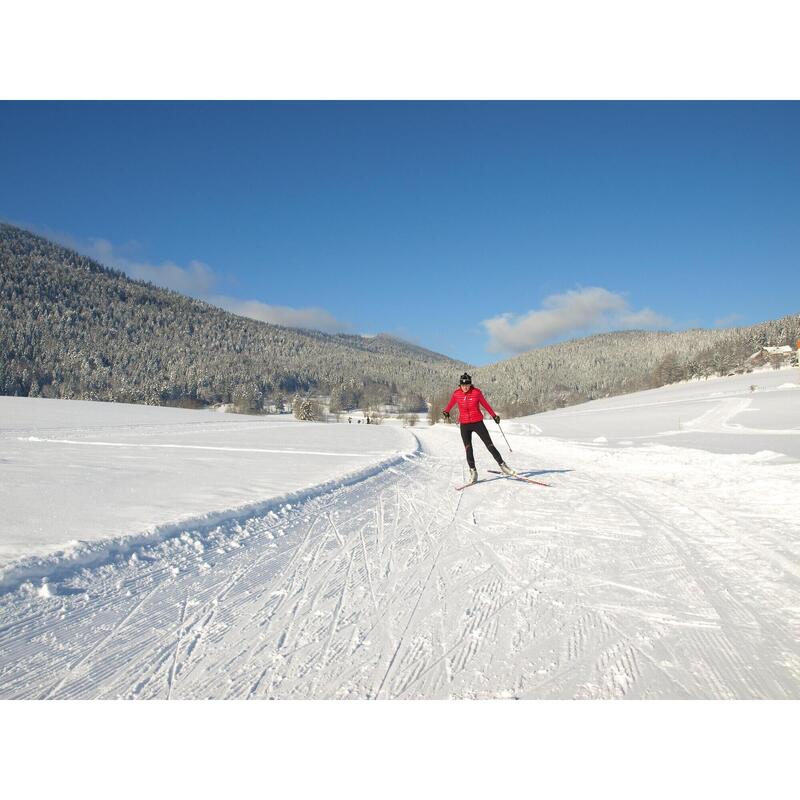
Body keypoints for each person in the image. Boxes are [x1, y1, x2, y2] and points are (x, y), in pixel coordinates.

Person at [442, 373, 515, 484]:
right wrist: (446, 411)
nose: (465, 387)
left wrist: (494, 415)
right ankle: (473, 472)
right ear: (460, 385)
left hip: (477, 423)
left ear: (471, 384)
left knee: (489, 445)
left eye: (467, 385)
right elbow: (450, 404)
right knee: (468, 448)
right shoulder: (456, 394)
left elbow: (485, 405)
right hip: (464, 425)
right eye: (463, 385)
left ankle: (503, 465)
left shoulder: (476, 393)